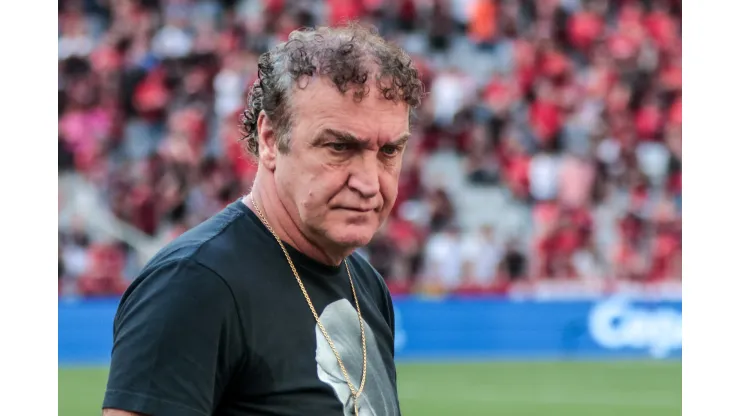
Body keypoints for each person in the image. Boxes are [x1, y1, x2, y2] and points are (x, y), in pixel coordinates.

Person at [102, 23, 423, 416]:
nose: (370, 183)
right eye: (339, 147)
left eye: (389, 151)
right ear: (270, 139)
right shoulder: (194, 284)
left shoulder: (367, 286)